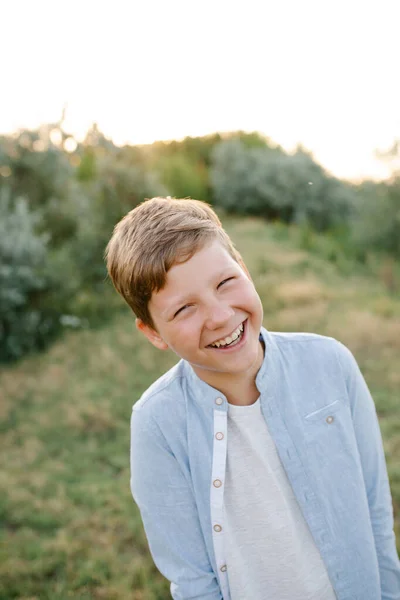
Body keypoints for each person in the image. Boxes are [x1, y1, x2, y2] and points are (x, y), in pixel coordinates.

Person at [105, 196, 400, 600]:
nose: (221, 316)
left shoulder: (331, 364)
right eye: (184, 308)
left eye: (225, 283)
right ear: (153, 332)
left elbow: (376, 517)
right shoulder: (157, 424)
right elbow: (193, 581)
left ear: (243, 268)